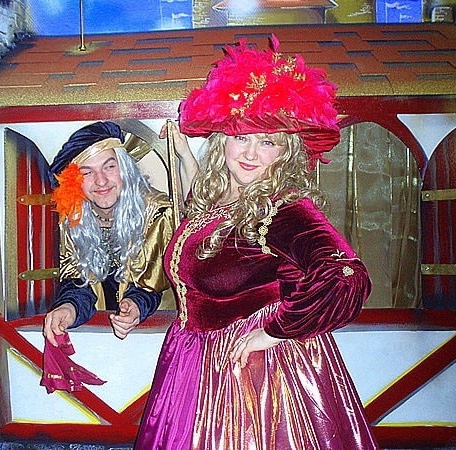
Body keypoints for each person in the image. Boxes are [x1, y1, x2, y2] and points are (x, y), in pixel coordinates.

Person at [135, 36, 379, 449]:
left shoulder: (283, 209)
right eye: (241, 137)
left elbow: (345, 275)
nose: (250, 153)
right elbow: (224, 244)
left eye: (268, 141)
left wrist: (275, 333)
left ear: (286, 151)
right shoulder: (221, 197)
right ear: (222, 141)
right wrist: (184, 156)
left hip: (255, 376)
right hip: (194, 359)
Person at [42, 121, 173, 345]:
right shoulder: (72, 218)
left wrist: (136, 305)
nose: (101, 181)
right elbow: (78, 281)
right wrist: (69, 308)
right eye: (87, 172)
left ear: (124, 169)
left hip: (158, 333)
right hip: (98, 338)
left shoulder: (157, 213)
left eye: (109, 167)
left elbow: (153, 285)